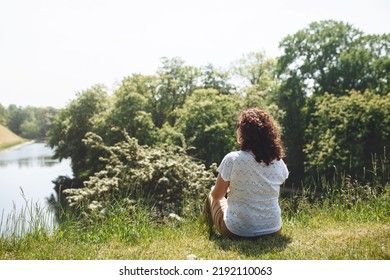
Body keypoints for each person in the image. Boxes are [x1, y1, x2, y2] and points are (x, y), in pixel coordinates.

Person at [204, 108, 289, 239]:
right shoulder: (278, 161)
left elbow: (217, 195)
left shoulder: (232, 159)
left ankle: (207, 232)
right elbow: (282, 179)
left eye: (238, 126)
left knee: (211, 193)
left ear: (243, 132)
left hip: (237, 231)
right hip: (273, 230)